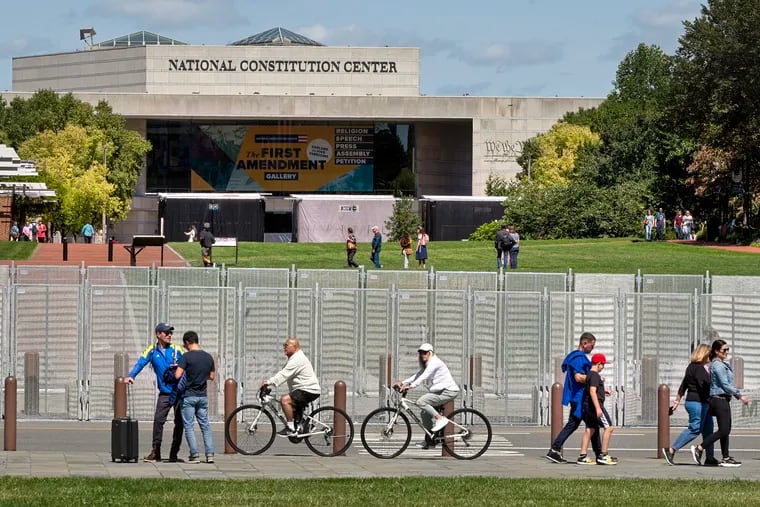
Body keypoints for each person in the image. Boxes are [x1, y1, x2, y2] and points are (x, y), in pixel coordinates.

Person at [125, 323, 185, 462]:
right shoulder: (152, 350)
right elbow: (141, 363)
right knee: (158, 421)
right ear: (158, 334)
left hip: (179, 392)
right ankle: (155, 451)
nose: (170, 335)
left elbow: (187, 364)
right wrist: (131, 376)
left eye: (171, 333)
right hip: (165, 393)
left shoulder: (177, 350)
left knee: (180, 422)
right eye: (166, 333)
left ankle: (174, 453)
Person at [691, 339, 750, 467]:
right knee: (723, 430)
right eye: (724, 350)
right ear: (717, 351)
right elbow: (724, 384)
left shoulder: (720, 364)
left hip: (722, 399)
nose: (727, 352)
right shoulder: (717, 365)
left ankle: (726, 457)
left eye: (728, 349)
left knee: (726, 429)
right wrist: (739, 395)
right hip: (719, 399)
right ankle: (699, 448)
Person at [546, 332, 602, 464]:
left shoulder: (575, 356)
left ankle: (555, 450)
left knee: (582, 425)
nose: (592, 349)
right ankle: (599, 454)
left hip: (578, 397)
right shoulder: (579, 359)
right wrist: (595, 379)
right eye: (591, 346)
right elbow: (578, 377)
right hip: (580, 398)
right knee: (590, 424)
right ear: (584, 343)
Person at [393, 342, 460, 450]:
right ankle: (430, 441)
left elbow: (424, 376)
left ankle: (440, 419)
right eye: (420, 353)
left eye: (424, 353)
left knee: (421, 402)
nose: (422, 355)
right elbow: (418, 374)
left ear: (430, 353)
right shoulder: (428, 363)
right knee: (424, 413)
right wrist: (403, 382)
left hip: (448, 391)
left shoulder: (434, 362)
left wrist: (410, 386)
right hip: (440, 391)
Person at [663, 344, 717, 466]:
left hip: (701, 403)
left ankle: (710, 457)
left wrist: (677, 401)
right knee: (695, 429)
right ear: (704, 354)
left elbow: (683, 385)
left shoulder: (691, 367)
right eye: (710, 354)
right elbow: (704, 384)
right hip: (697, 403)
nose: (711, 357)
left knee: (708, 430)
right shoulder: (699, 368)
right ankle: (671, 450)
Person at [260, 337, 321, 437]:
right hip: (303, 389)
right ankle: (306, 425)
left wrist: (268, 382)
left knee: (285, 400)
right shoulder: (294, 358)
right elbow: (284, 373)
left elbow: (284, 374)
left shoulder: (298, 359)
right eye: (284, 345)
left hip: (309, 389)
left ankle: (291, 428)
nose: (284, 347)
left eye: (286, 345)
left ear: (295, 347)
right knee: (291, 405)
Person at [175, 330, 215, 464]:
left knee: (189, 426)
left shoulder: (186, 357)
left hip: (189, 396)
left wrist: (182, 370)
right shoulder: (208, 357)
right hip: (202, 396)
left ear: (187, 342)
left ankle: (195, 455)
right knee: (205, 425)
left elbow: (177, 375)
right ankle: (210, 455)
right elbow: (212, 376)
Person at [578, 353, 617, 465]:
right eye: (603, 365)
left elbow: (591, 389)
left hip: (587, 406)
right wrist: (598, 408)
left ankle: (582, 456)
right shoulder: (595, 375)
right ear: (599, 364)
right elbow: (592, 391)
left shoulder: (589, 374)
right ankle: (602, 455)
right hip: (595, 406)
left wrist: (603, 391)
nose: (603, 367)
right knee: (609, 427)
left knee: (590, 429)